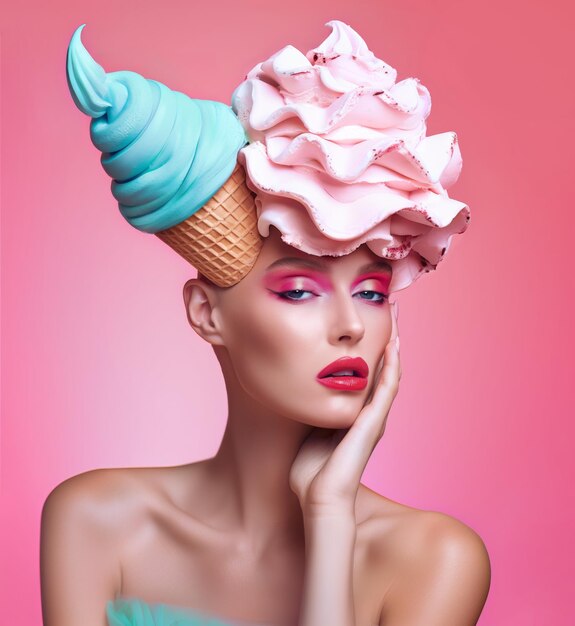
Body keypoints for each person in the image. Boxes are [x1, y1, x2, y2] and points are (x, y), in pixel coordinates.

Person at [41, 21, 491, 626]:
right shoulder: (96, 523)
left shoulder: (435, 560)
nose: (350, 327)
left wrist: (330, 518)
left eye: (371, 291)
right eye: (300, 290)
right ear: (207, 314)